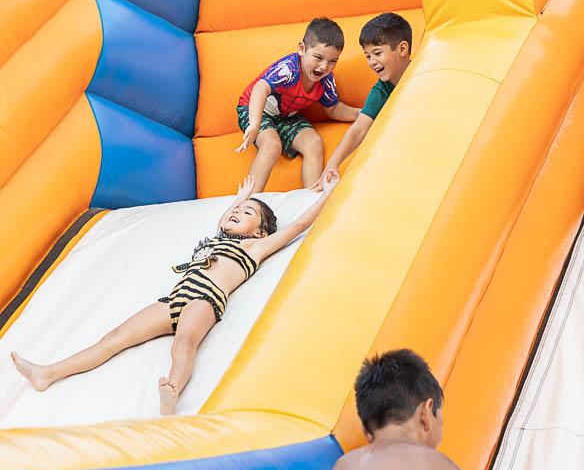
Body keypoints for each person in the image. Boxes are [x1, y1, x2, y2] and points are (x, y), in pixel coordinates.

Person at [11, 173, 340, 415]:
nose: (237, 213)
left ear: (259, 231)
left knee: (184, 344)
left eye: (247, 213)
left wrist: (328, 194)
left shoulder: (255, 247)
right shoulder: (217, 237)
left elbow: (297, 227)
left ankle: (172, 393)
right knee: (113, 338)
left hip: (204, 298)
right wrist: (243, 197)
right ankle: (49, 372)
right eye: (237, 209)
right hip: (174, 298)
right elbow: (225, 218)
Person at [236, 17, 360, 192]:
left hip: (286, 116)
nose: (324, 66)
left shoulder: (326, 81)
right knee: (272, 145)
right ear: (302, 49)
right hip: (255, 109)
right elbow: (260, 88)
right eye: (318, 57)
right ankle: (247, 201)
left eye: (333, 61)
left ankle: (311, 199)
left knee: (314, 142)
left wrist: (359, 114)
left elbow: (333, 108)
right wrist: (255, 124)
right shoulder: (289, 69)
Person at [328, 349, 468, 470]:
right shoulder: (436, 465)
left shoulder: (344, 467)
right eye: (441, 421)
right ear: (426, 413)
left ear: (366, 430)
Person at [312, 13, 412, 191]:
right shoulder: (381, 90)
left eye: (377, 53)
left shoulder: (422, 73)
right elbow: (358, 129)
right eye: (367, 56)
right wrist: (332, 165)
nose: (372, 62)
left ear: (402, 49)